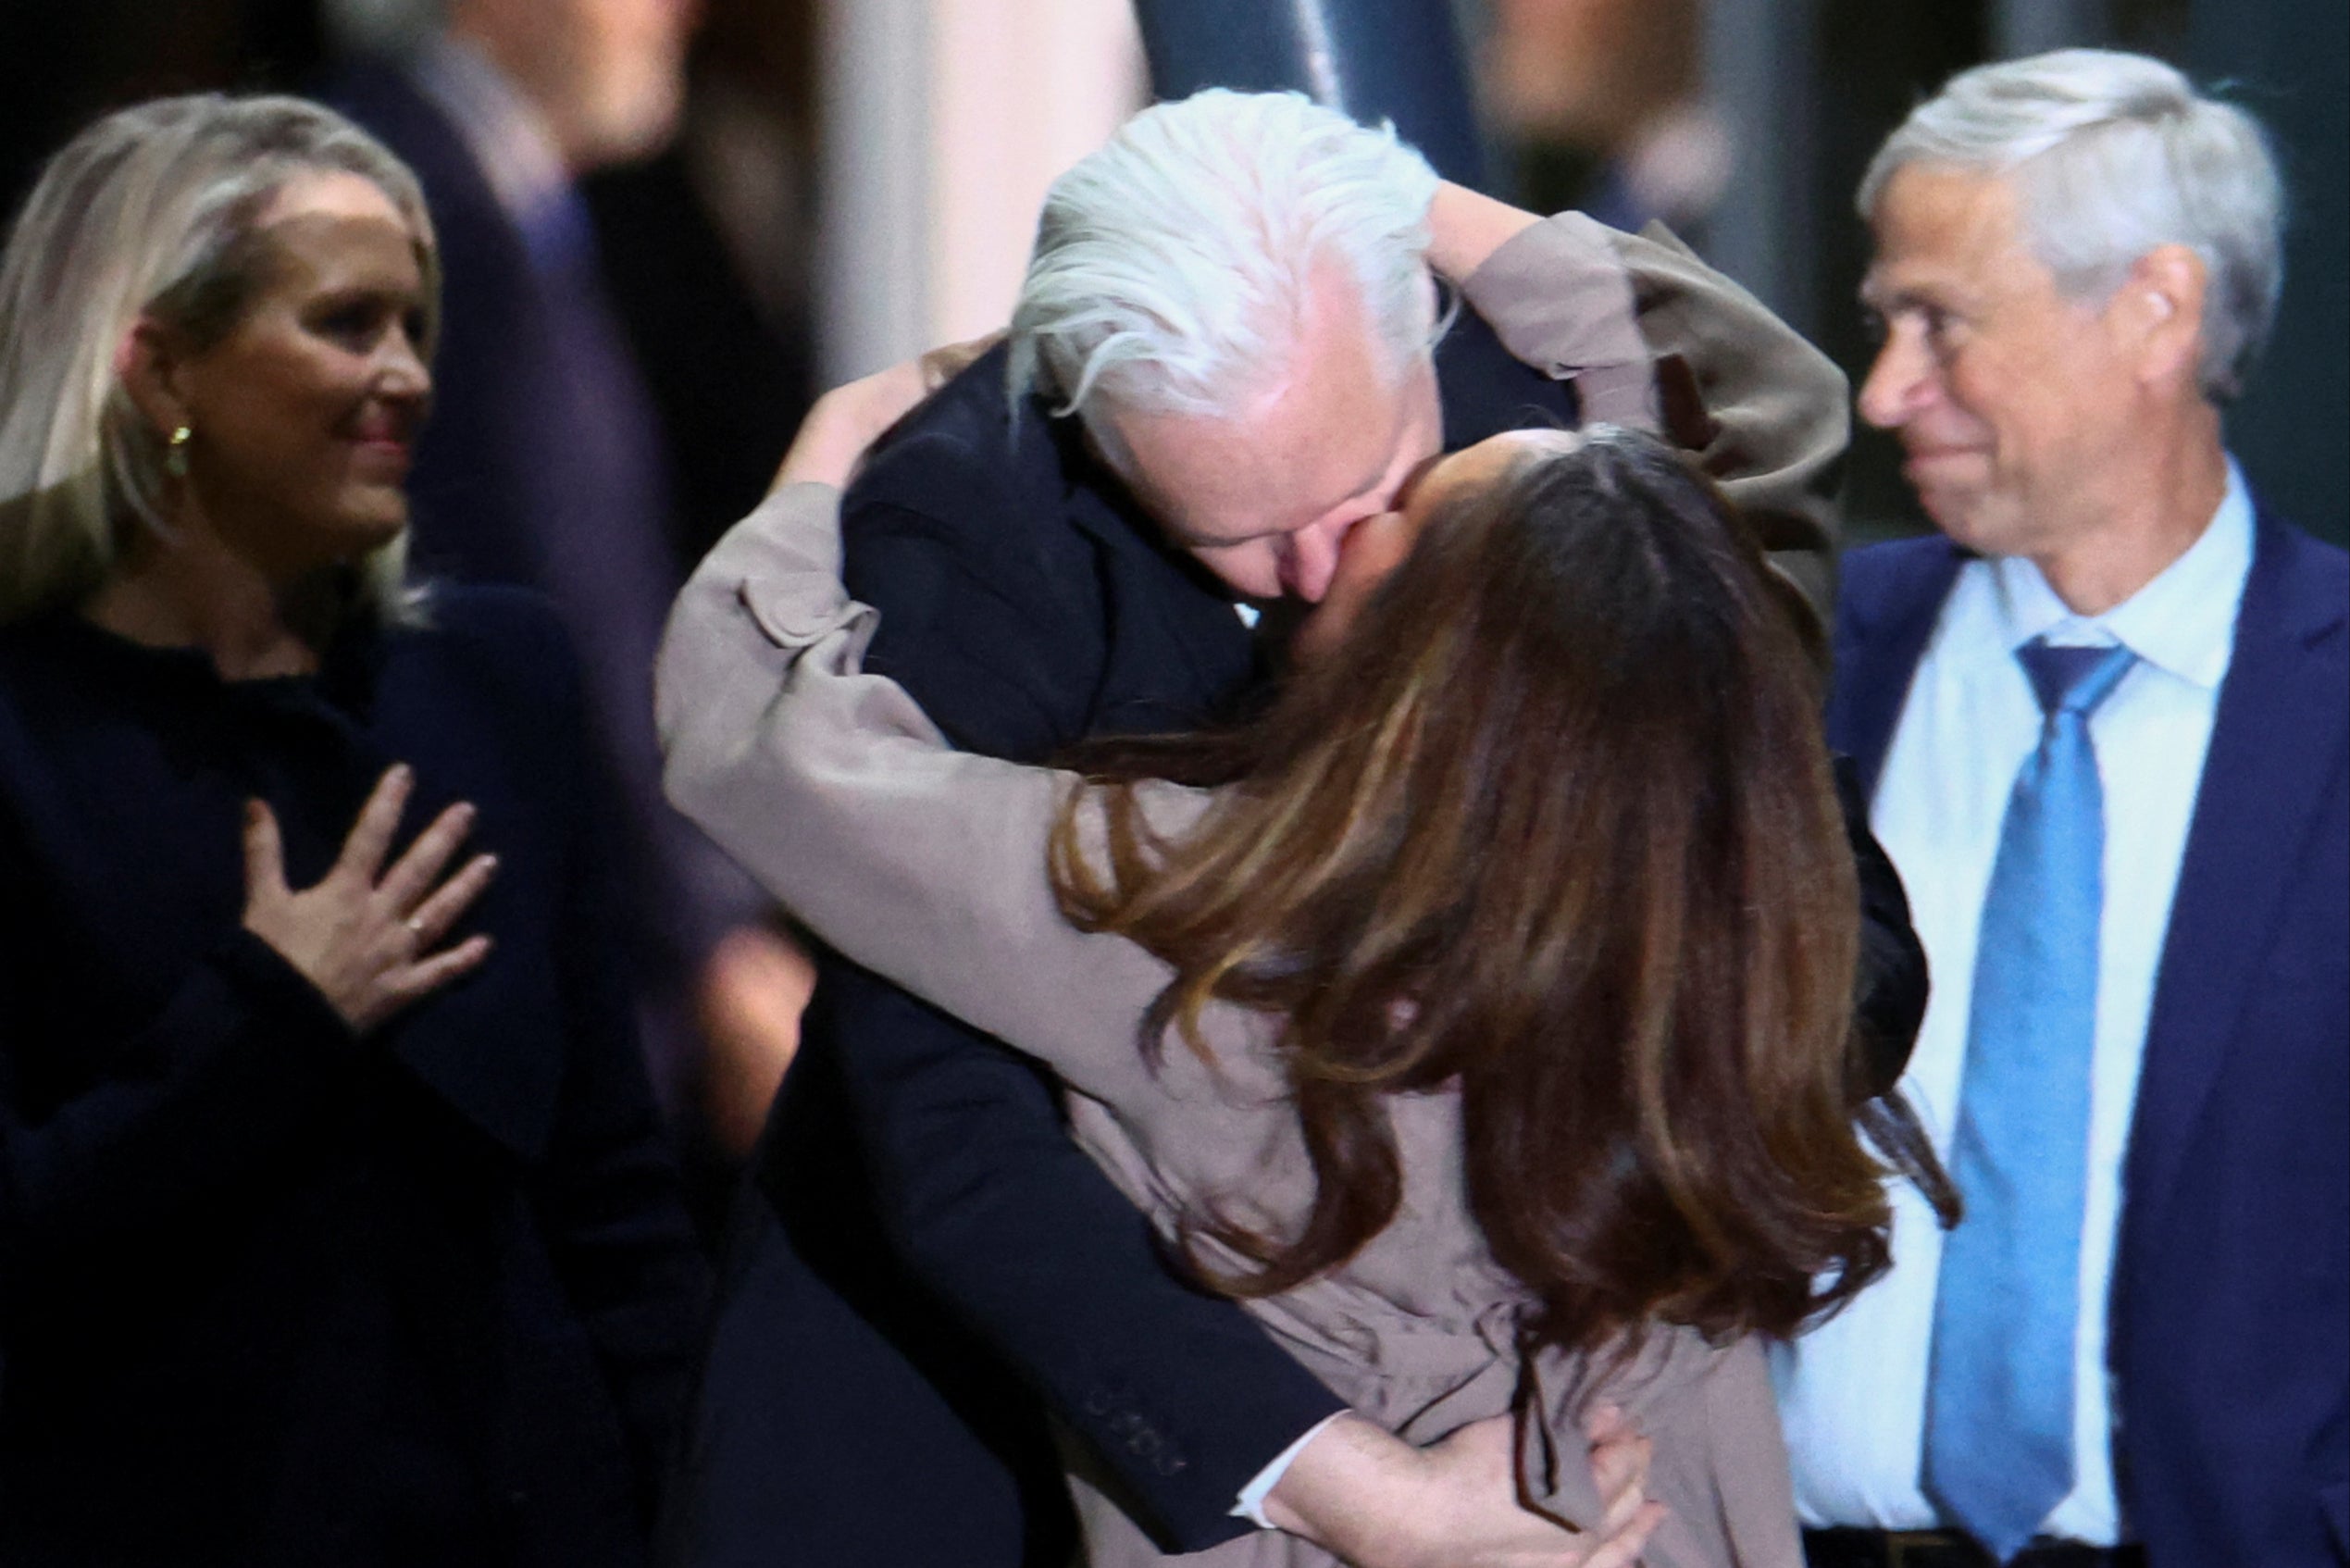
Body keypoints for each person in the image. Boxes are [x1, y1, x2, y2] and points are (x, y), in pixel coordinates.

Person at [669, 88, 1928, 1568]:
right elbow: (944, 1130)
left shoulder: (1162, 889)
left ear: (1421, 328)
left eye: (1377, 503)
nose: (1323, 569)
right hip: (1145, 1443)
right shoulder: (974, 531)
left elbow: (775, 753)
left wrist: (811, 453)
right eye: (1245, 535)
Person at [0, 94, 709, 1564]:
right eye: (344, 323)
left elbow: (612, 1206)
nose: (405, 376)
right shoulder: (24, 736)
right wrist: (272, 1017)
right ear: (157, 366)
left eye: (414, 325)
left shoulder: (495, 677)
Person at [1772, 49, 2347, 1568]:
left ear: (2150, 311)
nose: (1886, 387)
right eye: (1881, 323)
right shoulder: (1789, 664)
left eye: (1938, 322)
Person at [328, 0, 813, 1154]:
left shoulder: (506, 199)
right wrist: (708, 945)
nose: (680, 14)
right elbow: (537, 611)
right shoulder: (405, 203)